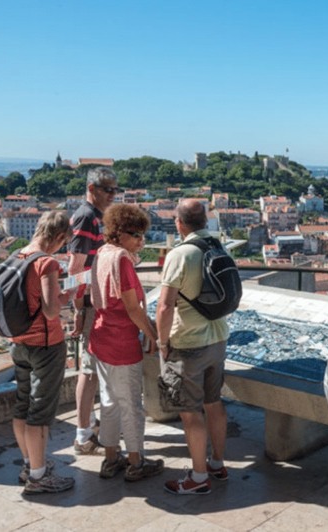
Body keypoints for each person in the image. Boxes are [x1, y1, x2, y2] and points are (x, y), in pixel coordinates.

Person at [157, 199, 229, 495]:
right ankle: (217, 463)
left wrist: (163, 343)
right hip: (218, 337)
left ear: (179, 223)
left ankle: (198, 479)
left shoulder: (180, 255)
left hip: (189, 342)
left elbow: (164, 306)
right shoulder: (218, 246)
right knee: (214, 403)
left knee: (190, 412)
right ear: (205, 221)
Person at [88, 203, 164, 481]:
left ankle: (110, 459)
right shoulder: (122, 259)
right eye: (136, 235)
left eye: (143, 235)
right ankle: (136, 462)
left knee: (108, 401)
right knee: (131, 403)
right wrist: (153, 334)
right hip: (121, 341)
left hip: (100, 338)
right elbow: (132, 308)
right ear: (119, 233)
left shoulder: (101, 254)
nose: (141, 241)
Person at [11, 210, 77, 494]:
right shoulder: (46, 262)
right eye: (64, 242)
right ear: (60, 237)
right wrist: (69, 295)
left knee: (22, 405)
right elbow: (51, 309)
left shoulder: (19, 254)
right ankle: (39, 477)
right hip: (45, 345)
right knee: (40, 411)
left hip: (19, 343)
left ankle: (29, 464)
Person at [69, 166, 118, 454]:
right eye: (107, 189)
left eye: (115, 189)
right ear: (92, 189)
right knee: (88, 371)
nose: (113, 195)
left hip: (96, 303)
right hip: (90, 304)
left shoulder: (97, 217)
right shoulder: (87, 217)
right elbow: (76, 268)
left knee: (93, 369)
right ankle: (83, 435)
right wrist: (78, 307)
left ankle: (91, 426)